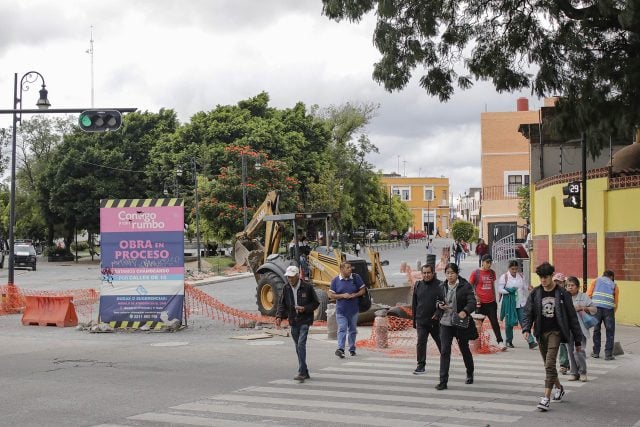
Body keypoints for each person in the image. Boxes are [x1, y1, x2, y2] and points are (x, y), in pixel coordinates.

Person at [522, 262, 584, 412]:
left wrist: (577, 340)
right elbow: (528, 312)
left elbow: (572, 318)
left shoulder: (562, 293)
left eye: (546, 277)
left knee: (550, 364)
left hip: (556, 332)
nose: (543, 280)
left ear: (551, 276)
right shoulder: (536, 293)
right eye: (541, 277)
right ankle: (559, 387)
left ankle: (546, 398)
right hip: (540, 332)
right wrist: (526, 329)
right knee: (548, 365)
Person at [435, 262, 478, 390]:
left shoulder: (465, 286)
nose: (450, 276)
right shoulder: (442, 286)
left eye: (452, 273)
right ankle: (443, 381)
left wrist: (465, 311)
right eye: (447, 273)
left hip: (460, 323)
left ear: (457, 273)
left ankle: (469, 372)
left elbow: (472, 302)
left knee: (464, 348)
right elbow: (437, 300)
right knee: (444, 351)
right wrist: (439, 305)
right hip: (445, 323)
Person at [275, 265, 320, 382]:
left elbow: (316, 303)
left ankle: (301, 372)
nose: (289, 279)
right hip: (293, 320)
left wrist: (305, 308)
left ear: (297, 276)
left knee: (300, 345)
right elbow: (282, 304)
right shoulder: (286, 288)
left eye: (291, 277)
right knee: (297, 347)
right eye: (288, 277)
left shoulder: (307, 287)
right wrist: (279, 316)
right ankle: (305, 370)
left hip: (305, 320)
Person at [497, 260, 538, 349]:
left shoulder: (521, 276)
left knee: (524, 322)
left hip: (521, 303)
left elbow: (525, 286)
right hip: (510, 303)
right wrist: (509, 291)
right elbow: (500, 289)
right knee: (509, 323)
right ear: (509, 268)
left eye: (516, 269)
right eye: (512, 269)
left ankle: (531, 341)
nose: (514, 271)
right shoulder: (504, 277)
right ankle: (508, 341)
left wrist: (530, 288)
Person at [469, 254, 507, 350]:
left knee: (495, 323)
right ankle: (474, 342)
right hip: (480, 304)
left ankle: (500, 342)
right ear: (482, 262)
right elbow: (469, 286)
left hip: (491, 303)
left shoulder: (492, 273)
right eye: (487, 262)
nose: (489, 264)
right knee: (478, 325)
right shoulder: (476, 273)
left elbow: (492, 286)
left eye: (490, 262)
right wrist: (475, 296)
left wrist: (495, 299)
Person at [329, 262, 366, 358]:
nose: (350, 269)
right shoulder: (335, 280)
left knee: (352, 330)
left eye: (350, 267)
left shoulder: (356, 278)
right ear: (341, 269)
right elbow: (330, 295)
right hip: (341, 311)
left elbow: (363, 290)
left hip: (353, 310)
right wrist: (342, 295)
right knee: (342, 329)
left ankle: (352, 349)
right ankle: (340, 349)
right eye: (347, 268)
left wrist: (355, 295)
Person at [411, 264, 443, 374]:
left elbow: (445, 302)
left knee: (441, 343)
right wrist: (414, 320)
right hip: (421, 321)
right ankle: (420, 365)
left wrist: (438, 313)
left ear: (433, 273)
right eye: (424, 273)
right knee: (421, 343)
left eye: (428, 272)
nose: (426, 275)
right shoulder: (418, 285)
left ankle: (445, 362)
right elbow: (414, 304)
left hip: (436, 322)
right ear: (421, 274)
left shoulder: (440, 285)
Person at [566, 276, 596, 382]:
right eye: (568, 285)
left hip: (580, 329)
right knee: (570, 352)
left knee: (579, 351)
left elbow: (594, 309)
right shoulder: (564, 297)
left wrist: (583, 308)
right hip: (568, 329)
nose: (570, 287)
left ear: (577, 287)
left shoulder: (584, 297)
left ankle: (583, 372)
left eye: (572, 285)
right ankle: (574, 373)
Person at [587, 270, 618, 360]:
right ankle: (608, 354)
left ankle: (596, 352)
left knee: (596, 330)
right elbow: (616, 301)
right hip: (609, 310)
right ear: (611, 277)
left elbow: (589, 294)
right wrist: (613, 312)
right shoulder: (614, 284)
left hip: (596, 308)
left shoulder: (595, 281)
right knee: (610, 331)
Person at [552, 273, 570, 374]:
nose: (557, 284)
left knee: (568, 344)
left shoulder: (567, 294)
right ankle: (563, 364)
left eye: (559, 282)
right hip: (556, 323)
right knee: (562, 344)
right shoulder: (551, 293)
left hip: (567, 323)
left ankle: (569, 364)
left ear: (563, 283)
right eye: (555, 282)